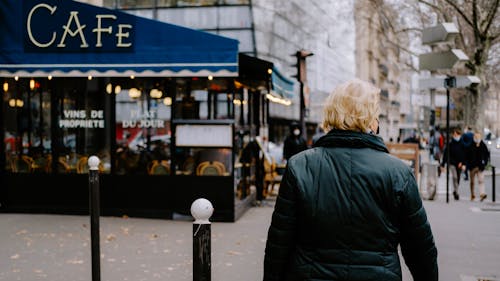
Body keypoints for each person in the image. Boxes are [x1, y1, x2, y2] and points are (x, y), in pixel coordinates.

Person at [263, 79, 438, 281]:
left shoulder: (300, 166)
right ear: (372, 119)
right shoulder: (398, 173)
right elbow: (420, 249)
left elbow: (279, 243)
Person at [440, 127, 466, 200]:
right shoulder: (450, 144)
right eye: (454, 134)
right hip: (452, 163)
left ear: (459, 135)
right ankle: (457, 193)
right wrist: (443, 164)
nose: (455, 136)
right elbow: (446, 154)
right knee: (454, 177)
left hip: (459, 163)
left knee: (458, 178)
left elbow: (464, 154)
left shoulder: (462, 144)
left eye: (456, 134)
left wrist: (463, 163)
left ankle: (455, 190)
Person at [465, 132, 490, 201]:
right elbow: (467, 156)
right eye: (476, 137)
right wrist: (467, 165)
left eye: (478, 137)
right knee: (472, 182)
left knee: (481, 180)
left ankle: (482, 194)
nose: (477, 138)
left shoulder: (482, 145)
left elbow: (486, 155)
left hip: (480, 166)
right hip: (472, 166)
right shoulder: (470, 145)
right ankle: (472, 194)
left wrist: (485, 162)